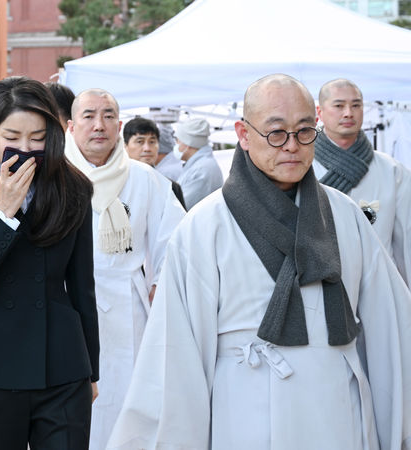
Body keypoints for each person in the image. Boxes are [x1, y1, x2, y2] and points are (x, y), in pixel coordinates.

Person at [108, 74, 411, 450]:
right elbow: (176, 356)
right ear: (244, 134)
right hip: (246, 409)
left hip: (337, 407)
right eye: (276, 132)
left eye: (304, 131)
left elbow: (391, 327)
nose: (292, 146)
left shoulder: (344, 214)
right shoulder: (206, 225)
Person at [0, 76, 99, 449]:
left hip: (61, 363)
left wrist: (91, 369)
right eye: (12, 137)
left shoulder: (74, 188)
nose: (26, 149)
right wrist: (3, 213)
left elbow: (82, 286)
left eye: (38, 138)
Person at [65, 88, 185, 450]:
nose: (98, 125)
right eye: (89, 116)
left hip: (128, 310)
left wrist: (159, 283)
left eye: (108, 116)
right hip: (67, 306)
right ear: (71, 126)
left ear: (119, 124)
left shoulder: (145, 178)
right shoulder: (54, 175)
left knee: (127, 411)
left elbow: (176, 239)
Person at [314, 78, 411, 285]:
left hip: (381, 284)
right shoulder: (302, 167)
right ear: (319, 112)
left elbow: (406, 243)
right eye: (339, 105)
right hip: (322, 283)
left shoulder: (392, 171)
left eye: (356, 105)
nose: (348, 112)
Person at [123, 116, 186, 209]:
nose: (147, 148)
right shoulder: (117, 185)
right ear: (125, 146)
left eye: (152, 142)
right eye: (140, 141)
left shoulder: (171, 187)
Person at [175, 117, 223, 209]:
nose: (176, 145)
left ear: (187, 143)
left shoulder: (201, 169)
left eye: (178, 141)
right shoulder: (200, 165)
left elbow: (181, 207)